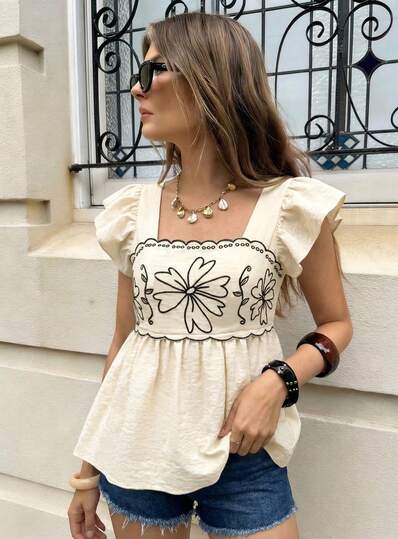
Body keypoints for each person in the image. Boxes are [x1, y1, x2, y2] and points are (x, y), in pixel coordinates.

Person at [67, 11, 353, 539]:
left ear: (210, 78)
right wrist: (86, 472)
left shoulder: (291, 206)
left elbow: (336, 324)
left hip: (245, 451)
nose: (136, 88)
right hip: (138, 448)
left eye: (154, 70)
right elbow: (124, 343)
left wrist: (279, 381)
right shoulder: (134, 212)